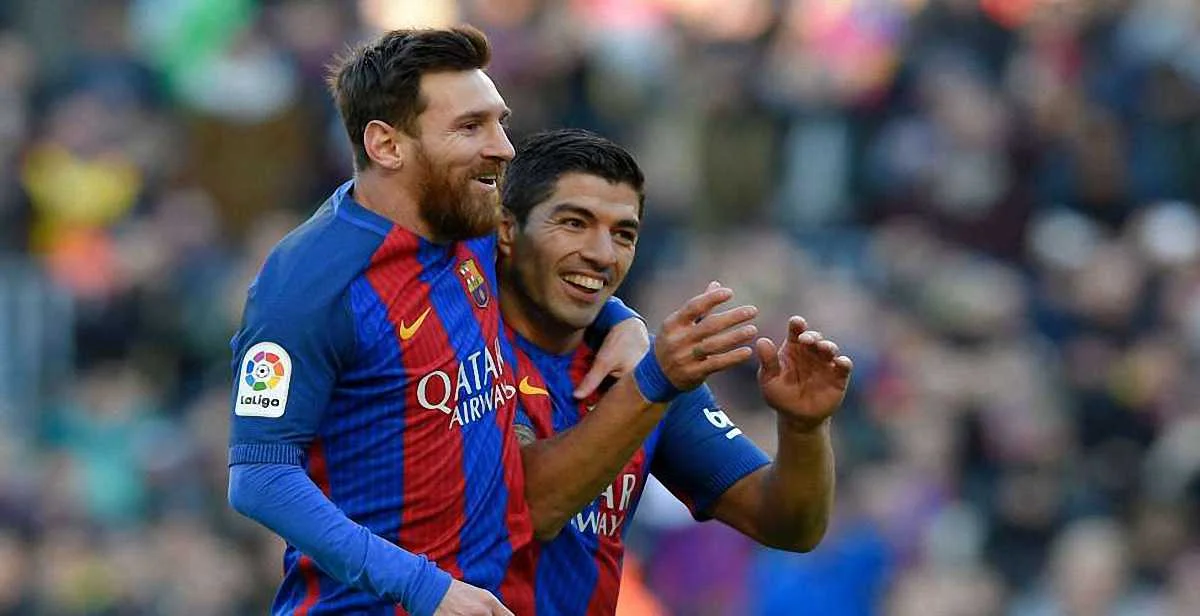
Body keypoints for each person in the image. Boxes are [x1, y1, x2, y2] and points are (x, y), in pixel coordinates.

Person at [225, 28, 648, 616]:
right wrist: (424, 588)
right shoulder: (307, 286)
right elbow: (260, 477)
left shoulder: (470, 221)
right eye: (470, 127)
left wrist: (622, 320)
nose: (504, 148)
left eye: (500, 123)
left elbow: (556, 265)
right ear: (386, 145)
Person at [496, 129, 853, 615]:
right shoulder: (461, 342)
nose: (602, 254)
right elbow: (533, 509)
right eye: (574, 223)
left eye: (624, 234)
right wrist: (654, 379)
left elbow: (789, 526)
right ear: (506, 229)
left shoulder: (644, 368)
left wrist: (803, 428)